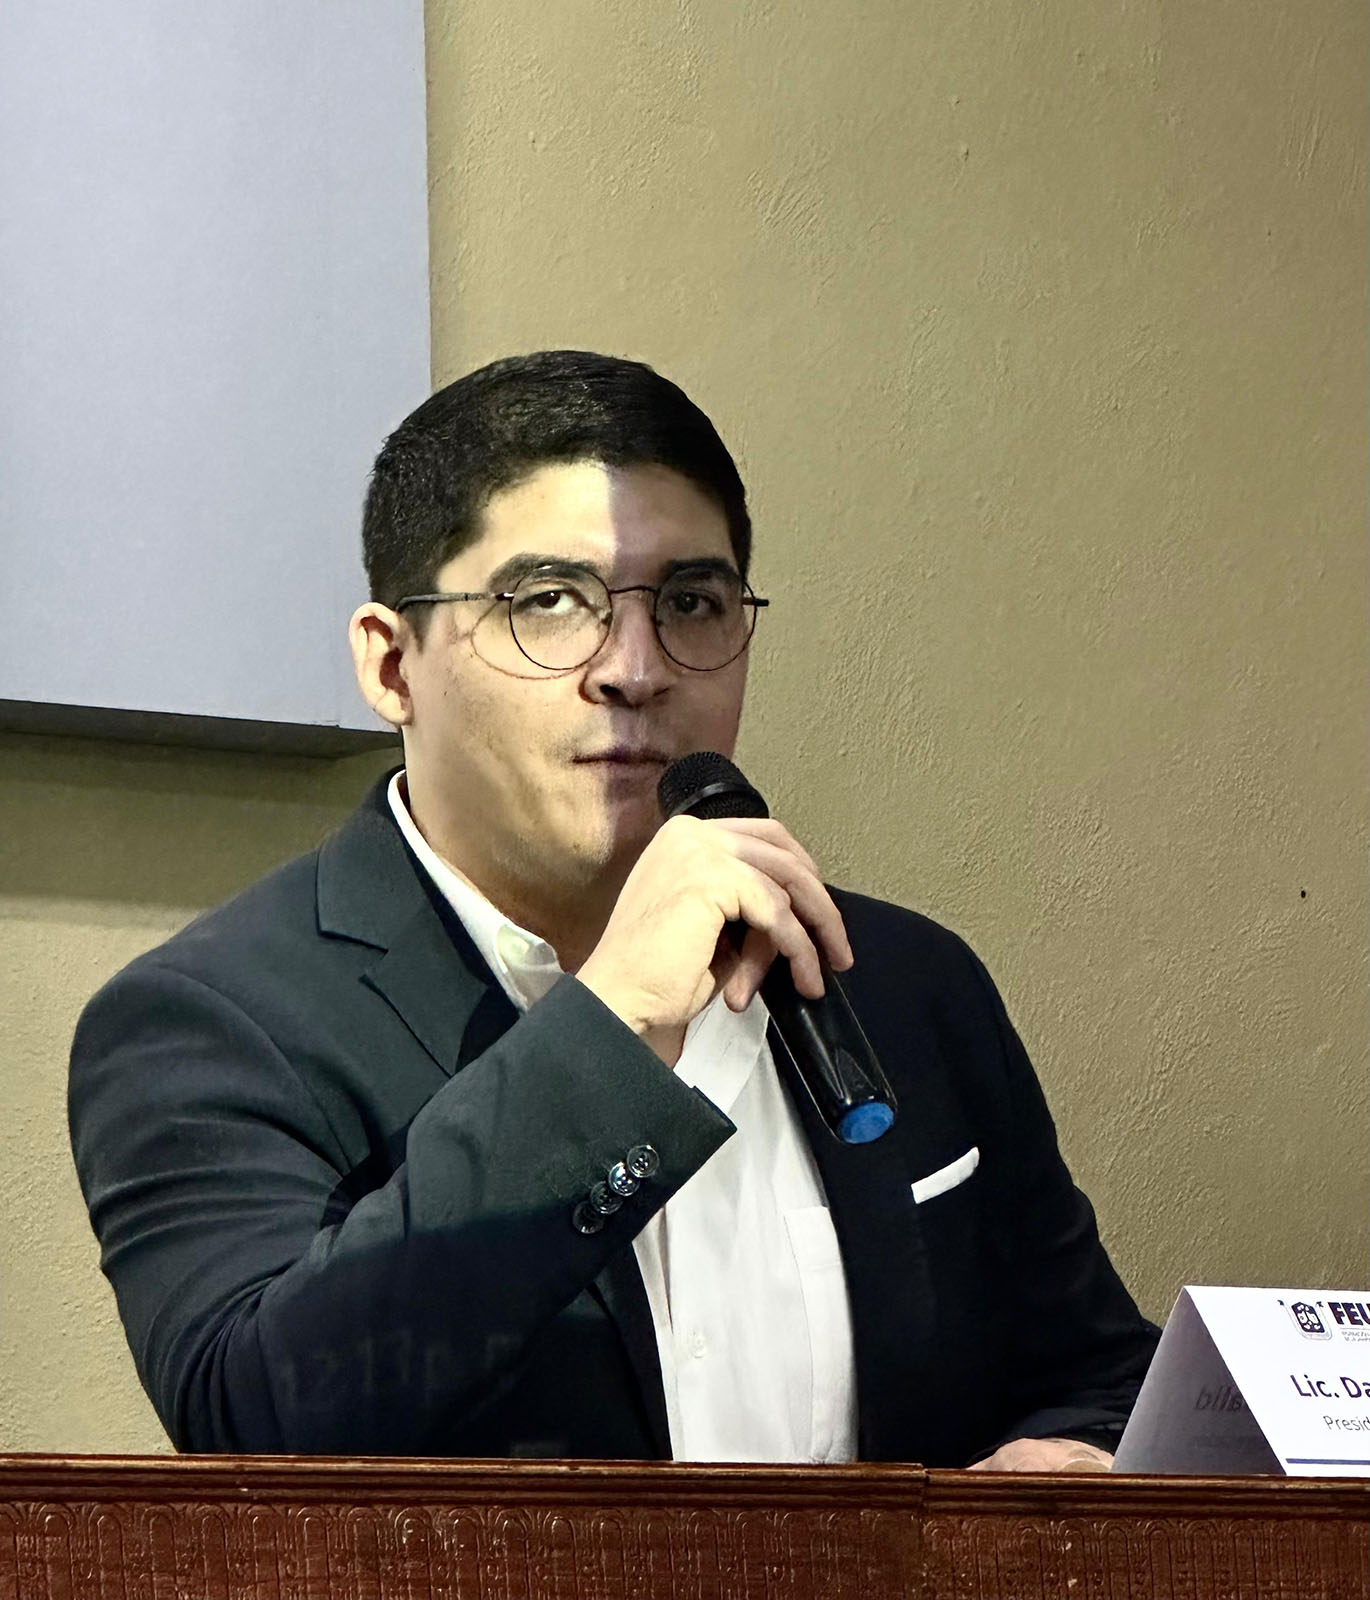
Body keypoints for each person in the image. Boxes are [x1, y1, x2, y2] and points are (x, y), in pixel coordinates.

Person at [69, 350, 1158, 1468]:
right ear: (392, 667)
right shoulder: (212, 1021)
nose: (635, 669)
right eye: (549, 602)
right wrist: (612, 1023)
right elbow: (257, 1423)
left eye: (690, 603)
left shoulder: (902, 980)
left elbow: (1098, 1375)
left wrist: (1076, 1458)